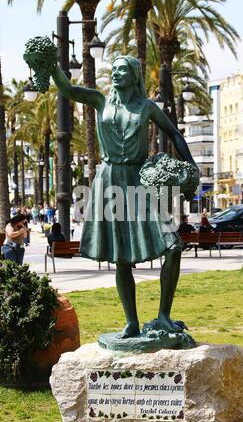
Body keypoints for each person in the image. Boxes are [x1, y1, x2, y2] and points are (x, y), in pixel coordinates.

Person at [28, 50, 197, 338]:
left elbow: (175, 134)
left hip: (139, 181)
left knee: (173, 246)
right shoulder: (100, 100)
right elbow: (67, 89)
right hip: (108, 182)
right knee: (121, 257)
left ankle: (164, 316)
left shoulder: (147, 107)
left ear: (133, 76)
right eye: (114, 70)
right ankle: (131, 322)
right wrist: (51, 64)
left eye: (122, 70)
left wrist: (190, 165)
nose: (115, 74)